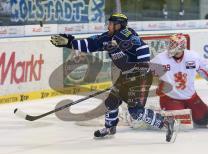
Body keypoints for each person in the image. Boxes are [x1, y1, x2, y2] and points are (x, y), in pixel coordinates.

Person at [50, 13, 178, 142]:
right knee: (111, 102)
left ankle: (167, 122)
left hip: (141, 77)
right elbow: (91, 43)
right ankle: (110, 127)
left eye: (111, 23)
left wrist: (140, 66)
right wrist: (70, 43)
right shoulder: (108, 36)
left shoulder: (130, 37)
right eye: (109, 23)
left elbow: (143, 48)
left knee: (136, 112)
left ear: (119, 25)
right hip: (126, 75)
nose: (108, 26)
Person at [150, 33, 208, 128]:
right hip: (170, 98)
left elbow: (206, 69)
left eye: (174, 44)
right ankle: (156, 116)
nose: (171, 46)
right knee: (180, 125)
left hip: (191, 97)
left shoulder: (192, 57)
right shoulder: (160, 59)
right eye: (171, 43)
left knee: (204, 120)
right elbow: (146, 74)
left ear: (182, 46)